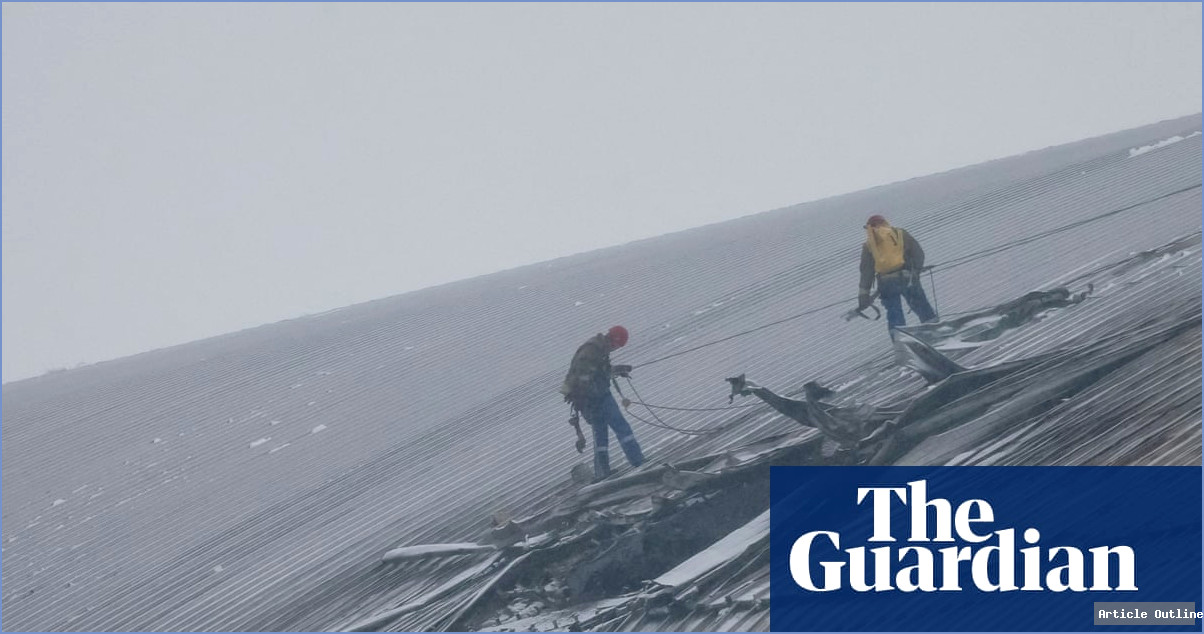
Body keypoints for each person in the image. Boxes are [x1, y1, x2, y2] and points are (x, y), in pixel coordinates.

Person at [559, 326, 644, 482]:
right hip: (597, 398)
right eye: (619, 346)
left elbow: (598, 371)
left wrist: (618, 370)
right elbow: (584, 376)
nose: (617, 349)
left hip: (591, 399)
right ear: (614, 340)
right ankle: (638, 461)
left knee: (600, 436)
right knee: (622, 427)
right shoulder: (593, 350)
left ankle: (602, 472)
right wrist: (589, 398)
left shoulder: (598, 348)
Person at [858, 215, 938, 335]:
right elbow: (918, 253)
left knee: (894, 313)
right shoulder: (900, 234)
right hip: (907, 278)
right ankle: (935, 331)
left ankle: (899, 340)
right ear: (885, 222)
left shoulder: (869, 245)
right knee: (921, 305)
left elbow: (866, 272)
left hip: (886, 283)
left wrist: (863, 296)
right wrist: (915, 271)